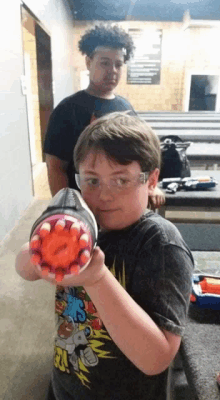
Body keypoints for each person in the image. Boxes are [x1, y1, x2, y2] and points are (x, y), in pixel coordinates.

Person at [16, 112, 194, 400]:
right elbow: (23, 266)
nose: (105, 196)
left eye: (121, 181)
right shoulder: (81, 224)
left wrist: (97, 278)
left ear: (151, 181)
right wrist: (43, 256)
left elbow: (157, 359)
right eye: (92, 181)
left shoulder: (161, 245)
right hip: (67, 384)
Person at [44, 23, 164, 209]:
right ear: (89, 62)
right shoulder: (67, 110)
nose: (113, 71)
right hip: (86, 205)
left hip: (122, 205)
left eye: (118, 64)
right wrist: (66, 207)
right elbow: (55, 167)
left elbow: (141, 157)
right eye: (105, 63)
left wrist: (150, 187)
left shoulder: (126, 107)